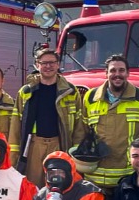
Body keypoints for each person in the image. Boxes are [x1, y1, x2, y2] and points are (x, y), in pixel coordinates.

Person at [80, 54, 139, 194]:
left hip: (129, 176)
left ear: (128, 73)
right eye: (113, 71)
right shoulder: (90, 98)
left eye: (121, 70)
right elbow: (82, 132)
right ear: (106, 73)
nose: (117, 74)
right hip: (96, 178)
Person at [10, 49, 84, 187]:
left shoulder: (70, 92)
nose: (48, 66)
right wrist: (14, 157)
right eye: (44, 63)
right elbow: (15, 126)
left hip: (60, 144)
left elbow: (79, 126)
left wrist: (76, 153)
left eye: (52, 62)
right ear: (37, 65)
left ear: (58, 65)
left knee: (59, 186)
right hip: (34, 146)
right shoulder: (26, 91)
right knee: (33, 187)